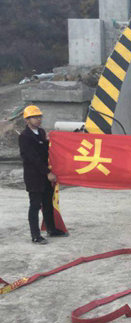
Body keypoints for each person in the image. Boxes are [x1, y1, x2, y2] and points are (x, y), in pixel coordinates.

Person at [18, 105, 66, 244]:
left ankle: (51, 229)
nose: (38, 119)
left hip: (45, 174)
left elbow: (45, 151)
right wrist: (47, 173)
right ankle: (35, 235)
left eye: (39, 117)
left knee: (47, 203)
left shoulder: (41, 132)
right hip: (34, 176)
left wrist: (50, 141)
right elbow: (32, 158)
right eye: (34, 117)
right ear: (27, 120)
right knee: (35, 205)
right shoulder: (24, 136)